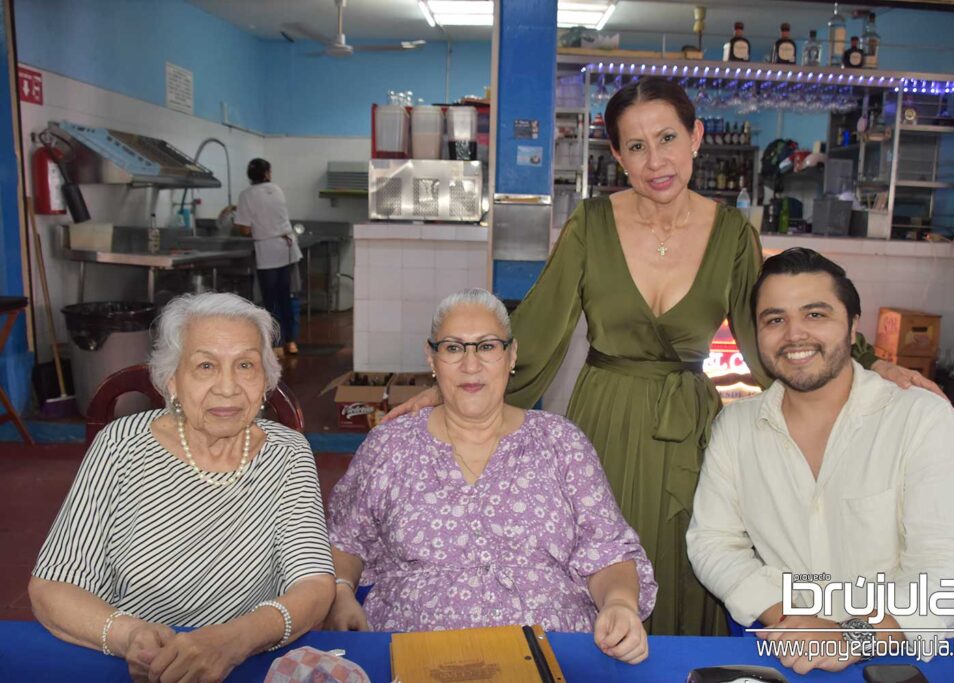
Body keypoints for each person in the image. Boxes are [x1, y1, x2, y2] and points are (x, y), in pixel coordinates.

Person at [386, 77, 942, 635]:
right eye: (636, 146)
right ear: (619, 157)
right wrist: (449, 387)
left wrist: (869, 365)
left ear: (696, 137)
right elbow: (538, 324)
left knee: (690, 559)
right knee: (597, 559)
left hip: (687, 430)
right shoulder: (591, 224)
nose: (656, 161)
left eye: (668, 138)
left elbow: (769, 332)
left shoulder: (730, 233)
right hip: (603, 419)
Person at [687, 248, 954, 674]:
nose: (794, 335)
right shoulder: (735, 428)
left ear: (852, 326)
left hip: (921, 658)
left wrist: (854, 634)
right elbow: (713, 542)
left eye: (815, 315)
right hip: (798, 657)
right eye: (775, 319)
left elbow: (951, 565)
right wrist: (789, 621)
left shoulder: (920, 419)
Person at [326, 289, 657, 665]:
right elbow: (345, 540)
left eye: (487, 347)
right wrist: (339, 591)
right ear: (431, 358)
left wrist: (618, 603)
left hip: (553, 653)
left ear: (511, 355)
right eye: (453, 348)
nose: (471, 365)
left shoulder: (561, 442)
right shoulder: (390, 445)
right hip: (415, 652)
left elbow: (608, 552)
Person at [29, 292, 334, 683]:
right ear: (172, 380)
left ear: (266, 380)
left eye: (245, 365)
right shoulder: (121, 445)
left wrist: (234, 641)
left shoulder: (288, 454)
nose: (228, 387)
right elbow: (53, 585)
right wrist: (130, 636)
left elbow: (313, 585)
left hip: (247, 662)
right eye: (205, 365)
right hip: (135, 666)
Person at [235, 158, 302, 356]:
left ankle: (276, 344)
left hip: (267, 252)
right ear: (267, 173)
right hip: (286, 248)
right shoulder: (277, 190)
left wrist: (236, 219)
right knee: (286, 298)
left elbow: (245, 229)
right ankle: (291, 342)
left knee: (270, 301)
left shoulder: (246, 195)